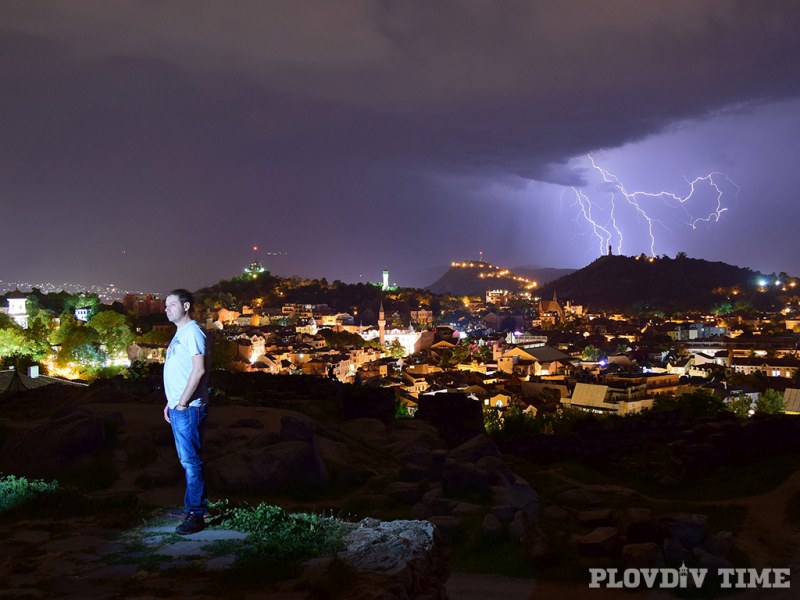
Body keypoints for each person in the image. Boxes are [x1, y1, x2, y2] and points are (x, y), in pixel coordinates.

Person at [163, 289, 210, 535]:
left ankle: (196, 513)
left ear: (186, 306)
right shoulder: (181, 333)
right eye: (165, 305)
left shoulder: (192, 332)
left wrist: (181, 402)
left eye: (172, 304)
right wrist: (171, 402)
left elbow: (198, 369)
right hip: (180, 405)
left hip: (188, 408)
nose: (166, 309)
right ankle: (195, 507)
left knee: (190, 461)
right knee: (189, 460)